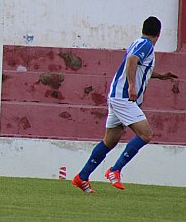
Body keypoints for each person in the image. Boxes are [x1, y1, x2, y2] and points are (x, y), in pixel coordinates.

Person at [72, 17, 178, 193]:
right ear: (159, 33)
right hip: (124, 98)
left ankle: (82, 177)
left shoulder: (138, 42)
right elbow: (132, 61)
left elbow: (138, 68)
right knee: (146, 134)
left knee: (110, 141)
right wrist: (131, 87)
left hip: (116, 96)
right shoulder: (146, 45)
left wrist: (159, 75)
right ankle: (115, 170)